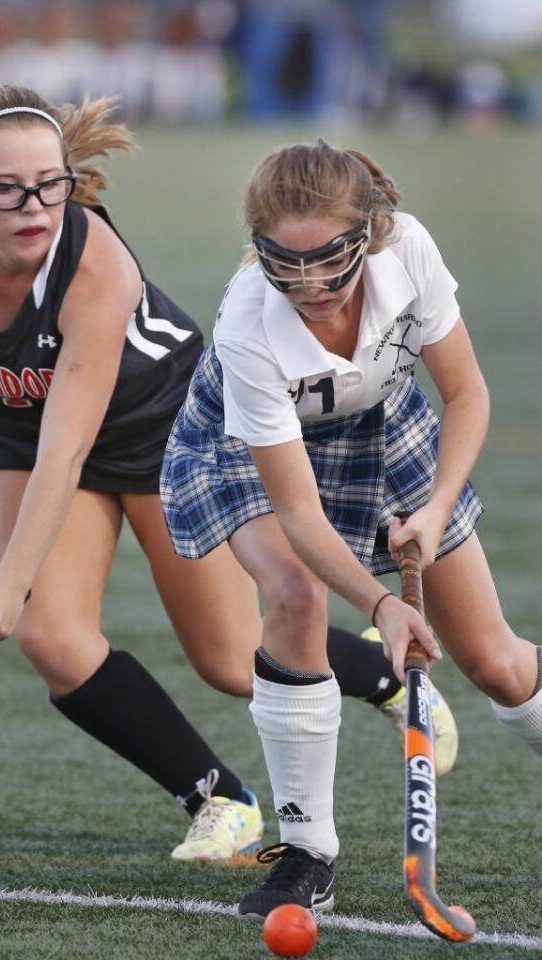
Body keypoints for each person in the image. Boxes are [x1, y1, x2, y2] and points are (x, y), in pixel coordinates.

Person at [0, 85, 456, 866]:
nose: (34, 207)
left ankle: (388, 678)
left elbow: (71, 447)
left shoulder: (95, 266)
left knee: (229, 659)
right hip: (19, 432)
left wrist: (5, 583)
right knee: (53, 639)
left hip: (165, 427)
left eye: (51, 185)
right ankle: (219, 798)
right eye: (7, 190)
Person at [161, 138, 542, 912]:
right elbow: (297, 512)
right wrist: (381, 604)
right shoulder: (249, 327)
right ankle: (308, 854)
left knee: (499, 663)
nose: (310, 284)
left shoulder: (409, 252)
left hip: (385, 424)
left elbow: (466, 394)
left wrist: (434, 512)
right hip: (244, 446)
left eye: (331, 259)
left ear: (368, 232)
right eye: (284, 262)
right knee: (294, 594)